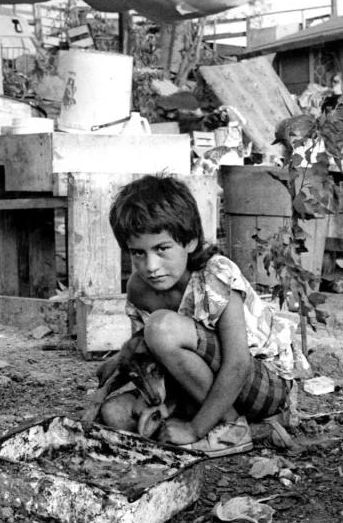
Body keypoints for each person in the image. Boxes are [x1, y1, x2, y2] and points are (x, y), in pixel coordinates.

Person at [93, 174, 311, 457]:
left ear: (190, 241)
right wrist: (121, 376)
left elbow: (238, 365)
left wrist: (195, 429)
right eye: (138, 253)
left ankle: (231, 428)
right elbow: (145, 354)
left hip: (263, 383)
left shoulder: (215, 276)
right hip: (198, 382)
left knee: (161, 328)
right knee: (116, 415)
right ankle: (253, 428)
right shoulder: (138, 288)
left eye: (162, 249)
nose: (151, 266)